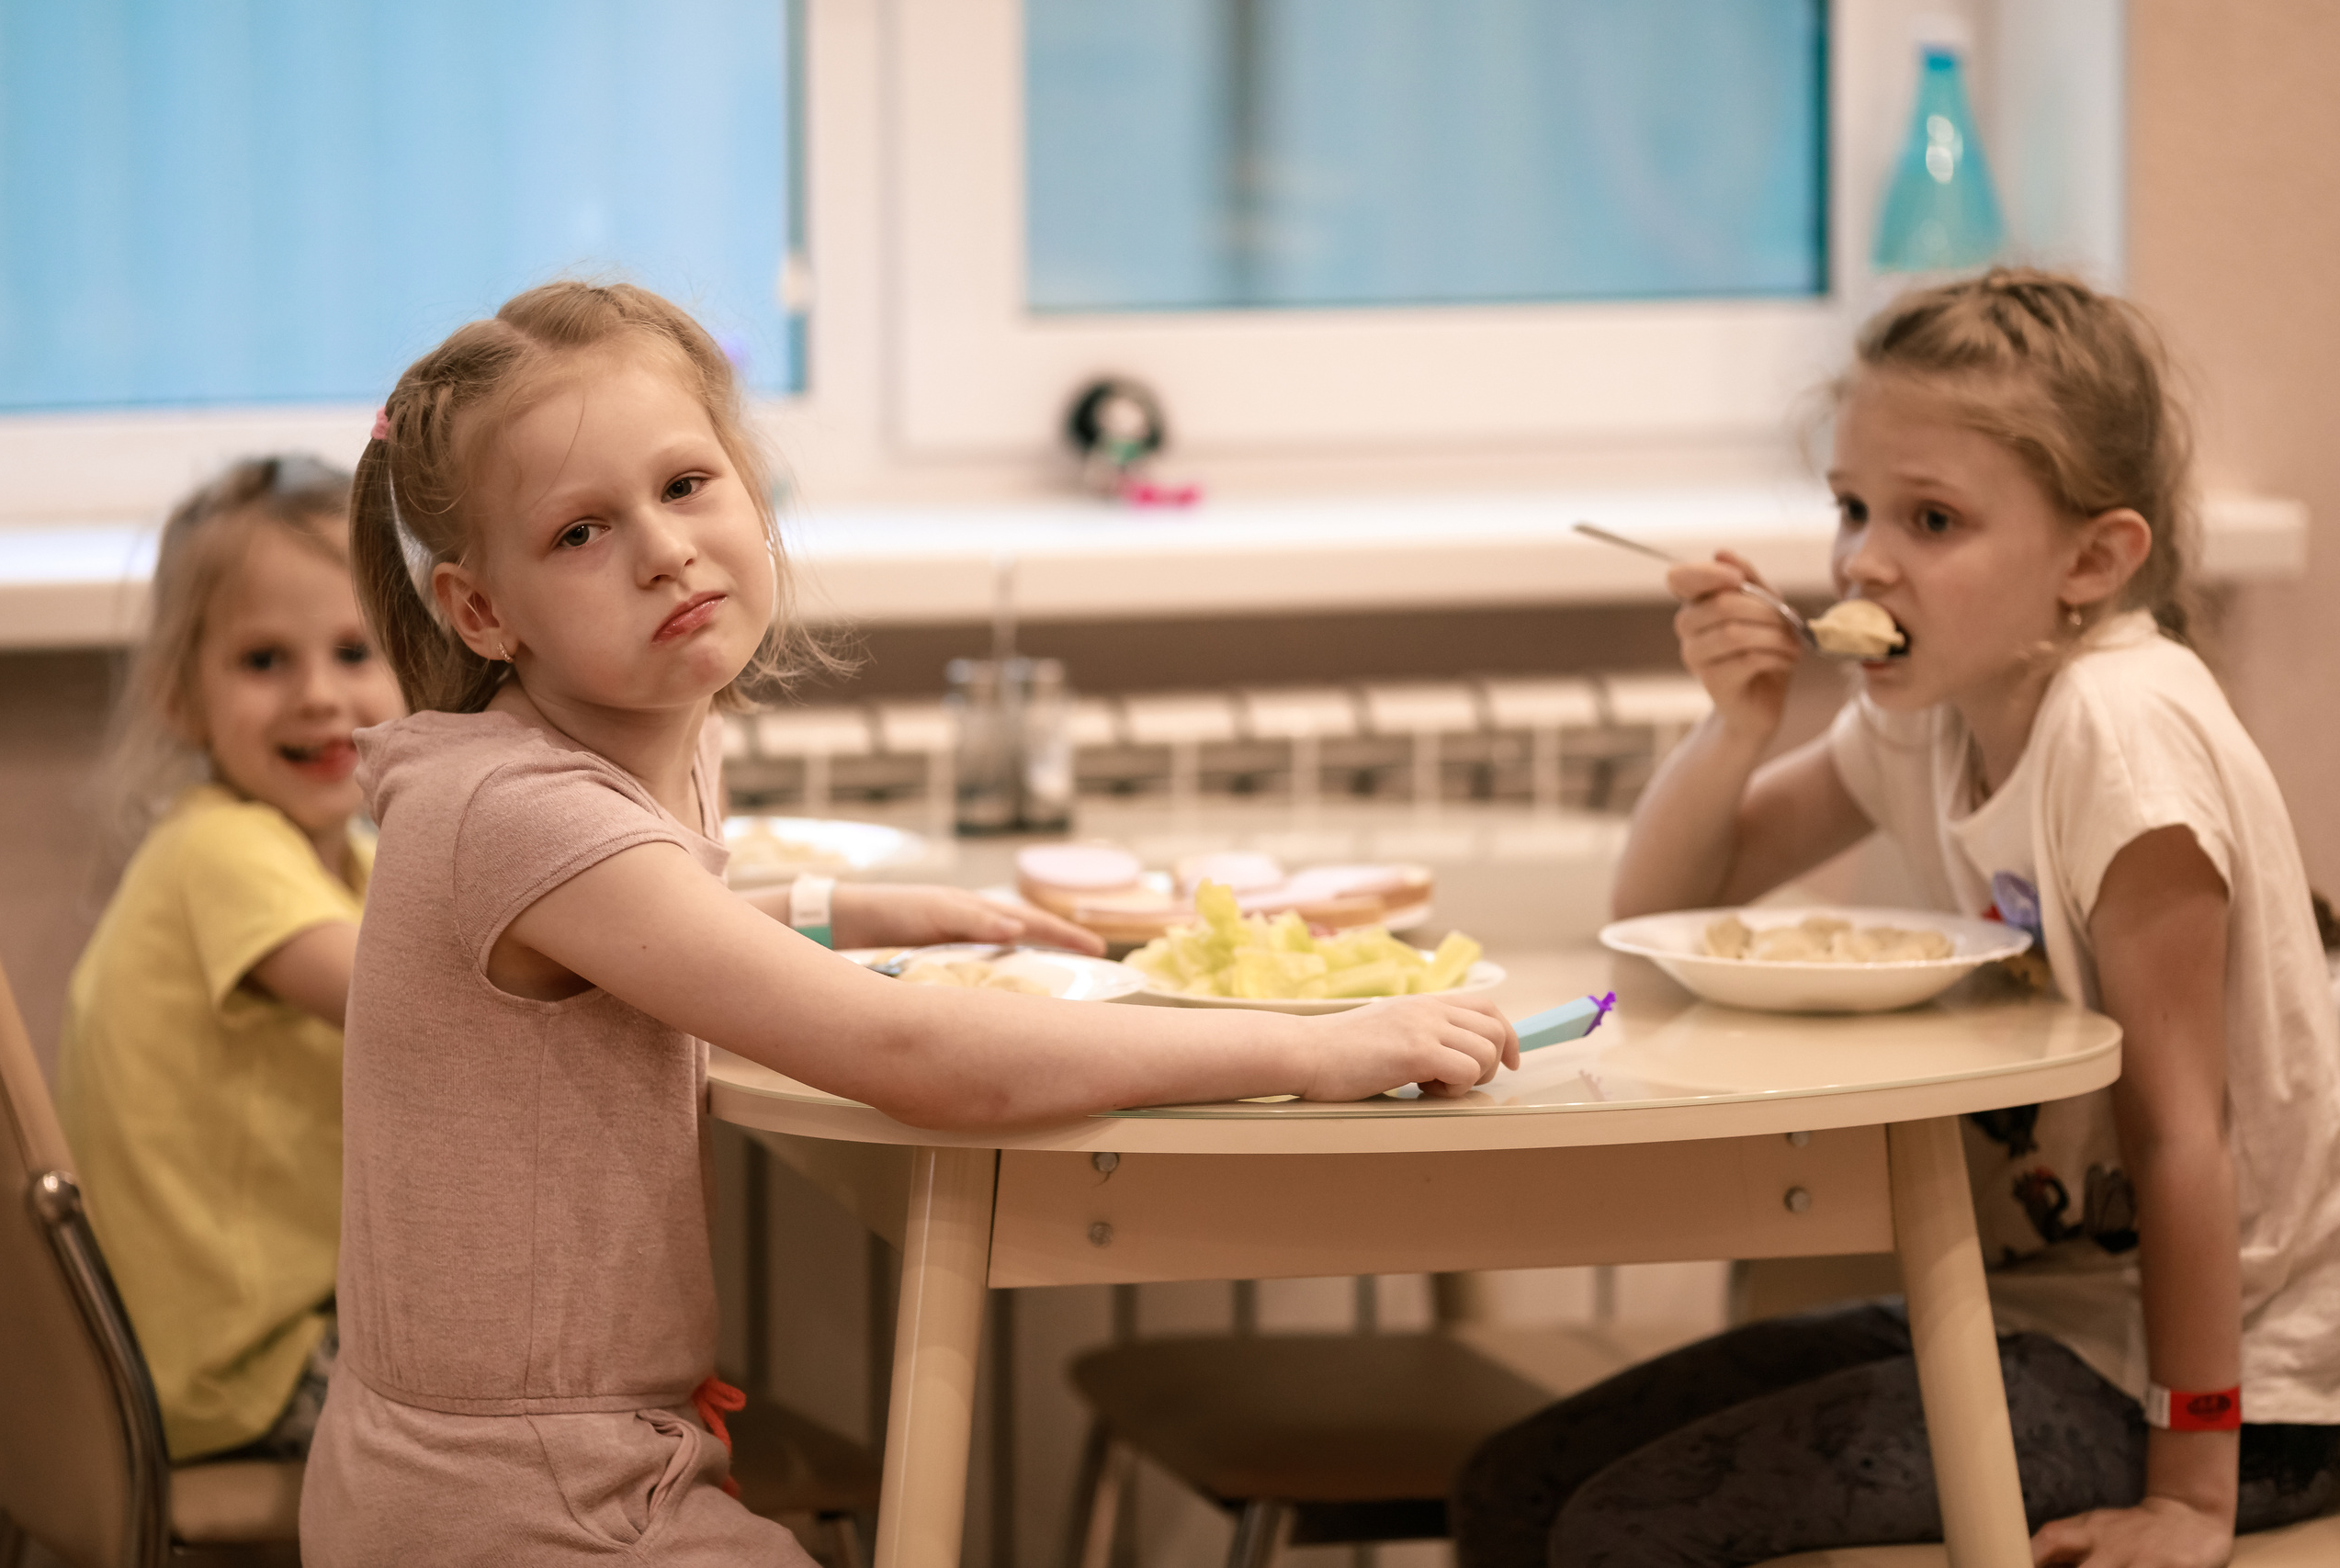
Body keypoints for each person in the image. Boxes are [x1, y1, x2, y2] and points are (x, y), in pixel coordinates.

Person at [298, 280, 1518, 1564]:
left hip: (548, 1466)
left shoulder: (595, 758)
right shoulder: (519, 807)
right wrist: (1310, 1048)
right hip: (514, 1499)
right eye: (579, 533)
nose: (662, 547)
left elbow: (644, 928)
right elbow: (917, 1059)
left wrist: (844, 906)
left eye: (685, 484)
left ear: (751, 490)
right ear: (481, 611)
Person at [1453, 270, 2340, 1567]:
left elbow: (2181, 1132)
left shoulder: (2121, 734)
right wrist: (1736, 725)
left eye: (1931, 518)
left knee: (1622, 1531)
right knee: (1513, 1484)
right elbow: (1660, 908)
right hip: (2055, 1312)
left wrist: (2191, 1488)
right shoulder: (1927, 713)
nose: (1866, 558)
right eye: (1853, 507)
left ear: (2093, 559)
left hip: (2254, 1383)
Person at [59, 456, 407, 1463]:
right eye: (264, 661)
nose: (317, 697)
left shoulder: (347, 857)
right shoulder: (220, 851)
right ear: (179, 693)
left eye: (353, 650)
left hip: (236, 1347)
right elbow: (418, 1001)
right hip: (237, 1369)